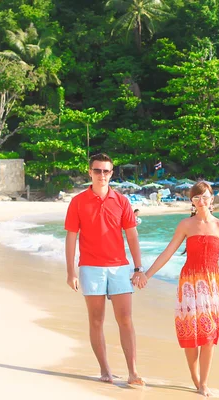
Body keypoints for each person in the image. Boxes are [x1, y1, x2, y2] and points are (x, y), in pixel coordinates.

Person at [135, 181, 219, 397]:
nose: (201, 201)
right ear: (192, 201)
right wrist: (146, 275)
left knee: (209, 335)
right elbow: (168, 253)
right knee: (191, 333)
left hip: (213, 285)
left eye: (205, 196)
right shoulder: (185, 225)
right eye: (197, 197)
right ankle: (194, 377)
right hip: (189, 284)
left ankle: (204, 382)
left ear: (212, 198)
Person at [64, 153, 147, 385]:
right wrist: (70, 271)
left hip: (119, 267)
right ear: (89, 172)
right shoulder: (78, 202)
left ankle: (133, 372)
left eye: (106, 171)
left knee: (125, 319)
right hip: (90, 268)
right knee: (96, 321)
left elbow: (132, 235)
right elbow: (71, 237)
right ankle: (105, 370)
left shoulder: (121, 201)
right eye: (97, 170)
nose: (102, 175)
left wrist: (138, 267)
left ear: (112, 173)